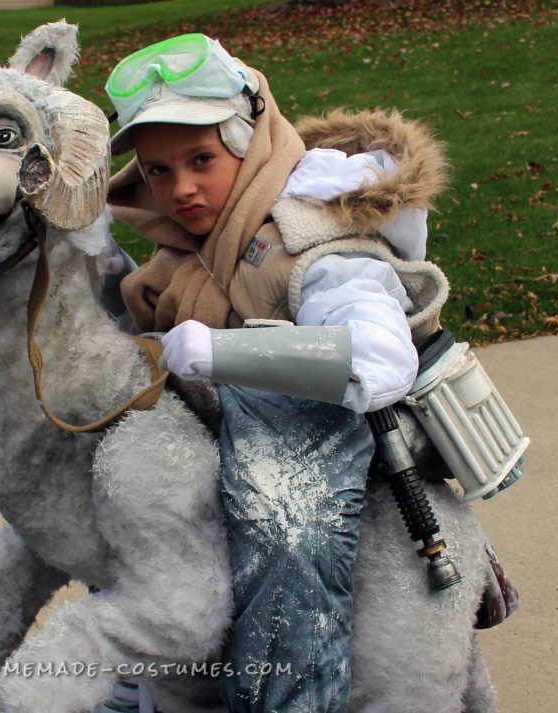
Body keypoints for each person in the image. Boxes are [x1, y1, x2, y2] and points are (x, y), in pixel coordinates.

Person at [104, 32, 447, 713]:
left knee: (285, 505)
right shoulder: (183, 253)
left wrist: (223, 354)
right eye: (160, 171)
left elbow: (377, 361)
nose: (181, 188)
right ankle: (132, 671)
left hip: (328, 441)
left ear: (249, 137)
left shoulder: (315, 240)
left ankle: (289, 694)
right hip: (207, 438)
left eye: (201, 159)